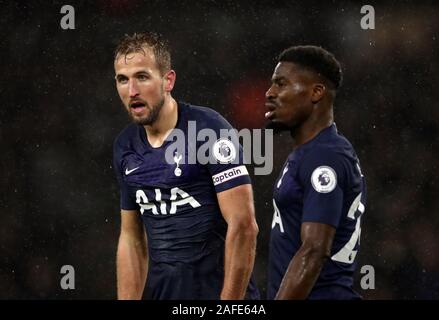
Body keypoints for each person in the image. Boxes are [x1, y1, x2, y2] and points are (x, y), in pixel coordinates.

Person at [112, 32, 260, 300]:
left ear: (168, 80)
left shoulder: (208, 130)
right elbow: (132, 238)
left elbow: (244, 225)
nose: (131, 90)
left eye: (142, 77)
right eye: (123, 79)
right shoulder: (125, 147)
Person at [265, 45, 367, 299]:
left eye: (281, 84)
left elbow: (314, 250)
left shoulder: (325, 156)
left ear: (316, 92)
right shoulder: (311, 152)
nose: (270, 93)